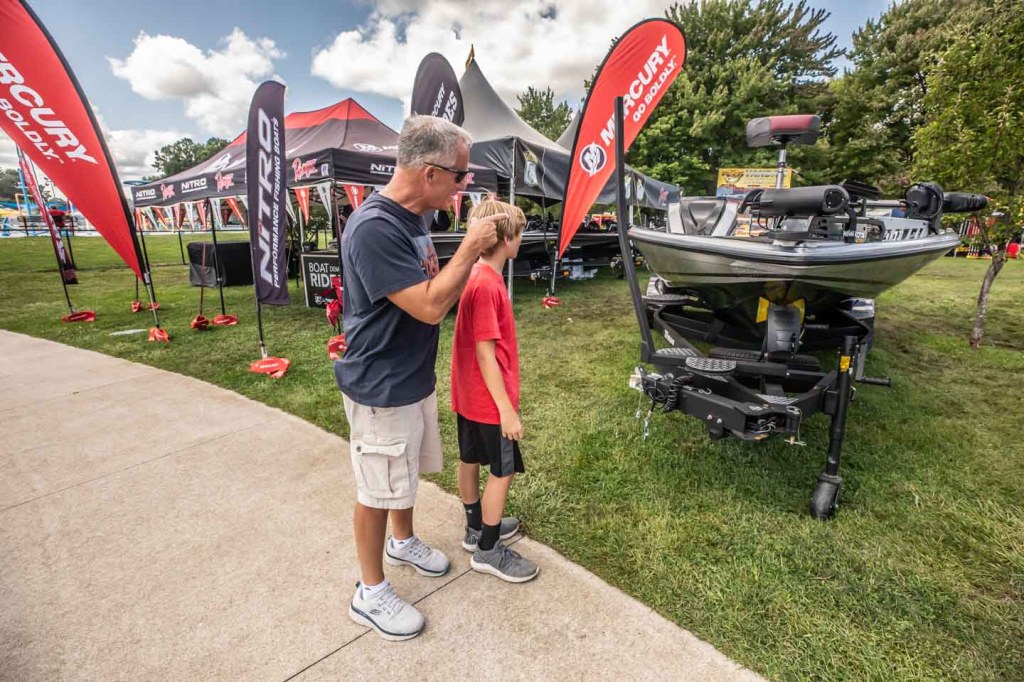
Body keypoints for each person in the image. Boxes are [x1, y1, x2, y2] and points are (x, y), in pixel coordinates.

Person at [335, 115, 504, 642]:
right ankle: (370, 592)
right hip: (380, 385)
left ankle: (402, 541)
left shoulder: (416, 218)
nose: (464, 185)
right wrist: (471, 247)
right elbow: (429, 306)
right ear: (429, 173)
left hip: (410, 377)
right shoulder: (374, 227)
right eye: (459, 175)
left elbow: (429, 289)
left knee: (403, 473)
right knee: (376, 487)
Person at [451, 200, 539, 583]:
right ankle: (488, 548)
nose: (521, 239)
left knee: (470, 458)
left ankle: (476, 527)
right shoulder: (488, 284)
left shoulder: (474, 274)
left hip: (468, 396)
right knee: (503, 471)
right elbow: (486, 353)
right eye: (519, 233)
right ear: (505, 239)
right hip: (489, 401)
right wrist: (506, 409)